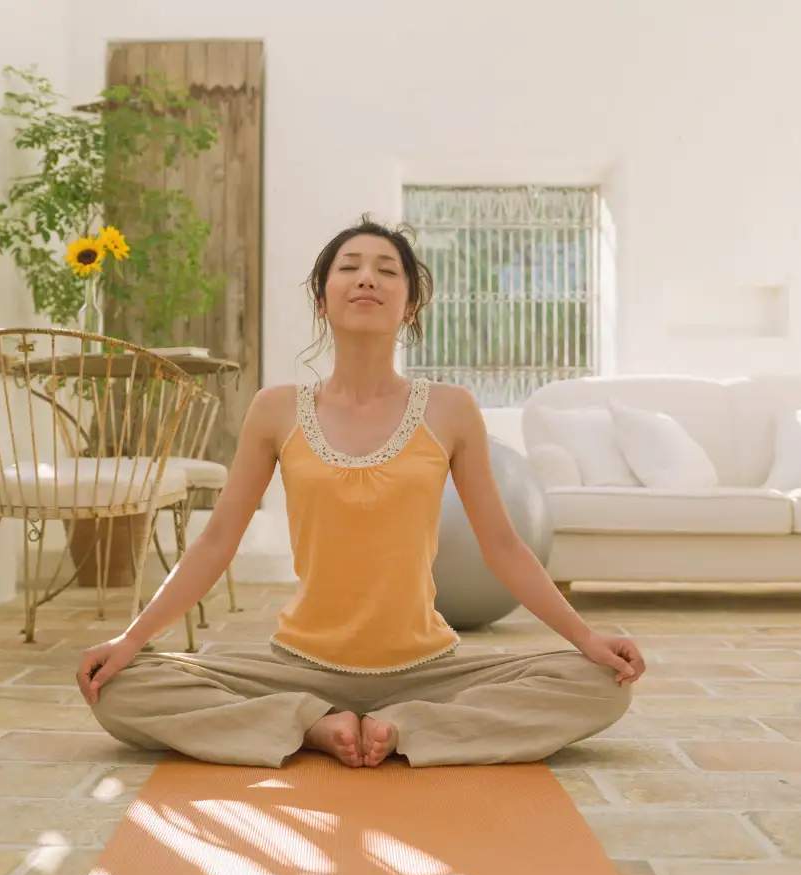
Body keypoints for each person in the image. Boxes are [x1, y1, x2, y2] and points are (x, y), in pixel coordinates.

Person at [76, 215, 645, 769]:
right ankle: (312, 721)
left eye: (387, 270)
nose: (367, 277)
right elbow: (217, 541)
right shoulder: (275, 409)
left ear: (411, 305)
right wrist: (130, 639)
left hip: (427, 671)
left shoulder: (450, 410)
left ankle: (405, 726)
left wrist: (585, 636)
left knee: (599, 685)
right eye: (349, 267)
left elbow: (503, 545)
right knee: (125, 687)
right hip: (298, 665)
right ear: (323, 300)